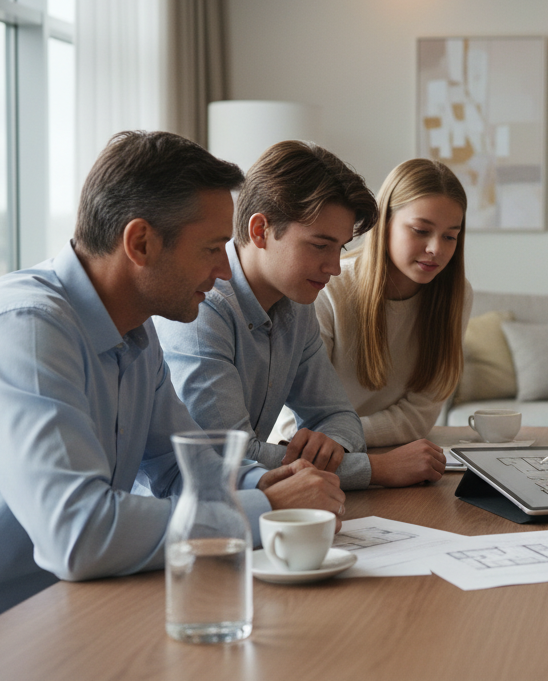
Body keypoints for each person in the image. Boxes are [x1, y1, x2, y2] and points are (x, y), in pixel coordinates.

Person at [0, 132, 344, 681]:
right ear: (140, 243)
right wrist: (263, 509)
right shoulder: (27, 331)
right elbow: (79, 535)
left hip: (46, 617)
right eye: (210, 249)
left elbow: (181, 468)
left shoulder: (134, 333)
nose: (225, 271)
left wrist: (270, 486)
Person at [157, 141, 445, 488]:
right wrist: (376, 468)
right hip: (186, 509)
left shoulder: (297, 303)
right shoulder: (202, 309)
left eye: (339, 248)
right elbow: (233, 457)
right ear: (260, 231)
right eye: (320, 245)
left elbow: (339, 417)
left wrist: (332, 446)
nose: (335, 267)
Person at [274, 158, 472, 448]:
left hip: (379, 451)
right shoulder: (328, 287)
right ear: (384, 222)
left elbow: (419, 416)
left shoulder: (457, 296)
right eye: (420, 230)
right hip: (310, 458)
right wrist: (342, 441)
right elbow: (293, 425)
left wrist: (340, 437)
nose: (436, 249)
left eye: (450, 236)